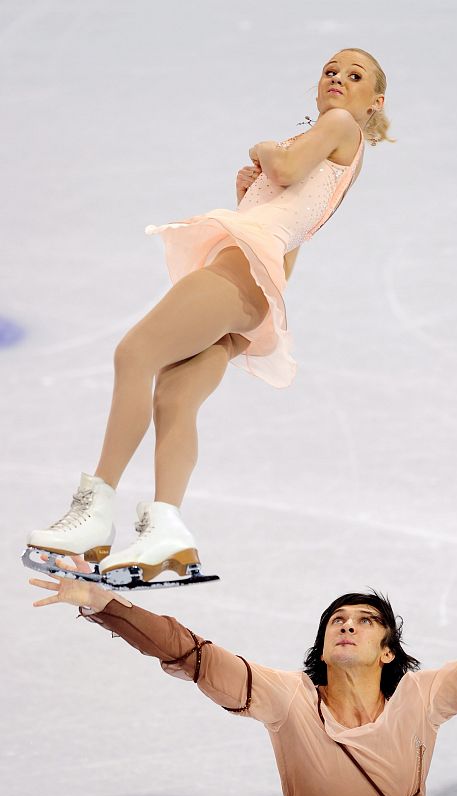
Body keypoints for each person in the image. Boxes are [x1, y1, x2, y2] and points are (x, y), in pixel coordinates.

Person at [23, 48, 393, 586]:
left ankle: (92, 514)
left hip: (241, 275)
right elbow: (289, 233)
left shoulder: (336, 126)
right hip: (258, 288)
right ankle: (166, 529)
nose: (338, 78)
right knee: (174, 396)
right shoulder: (341, 161)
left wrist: (264, 151)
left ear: (374, 101)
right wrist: (249, 198)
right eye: (330, 71)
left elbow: (284, 166)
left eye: (354, 75)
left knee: (134, 353)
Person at [29, 532, 457, 796]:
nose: (347, 624)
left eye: (365, 620)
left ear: (388, 651)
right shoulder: (289, 699)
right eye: (337, 619)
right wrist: (107, 604)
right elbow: (188, 652)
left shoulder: (423, 696)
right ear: (323, 644)